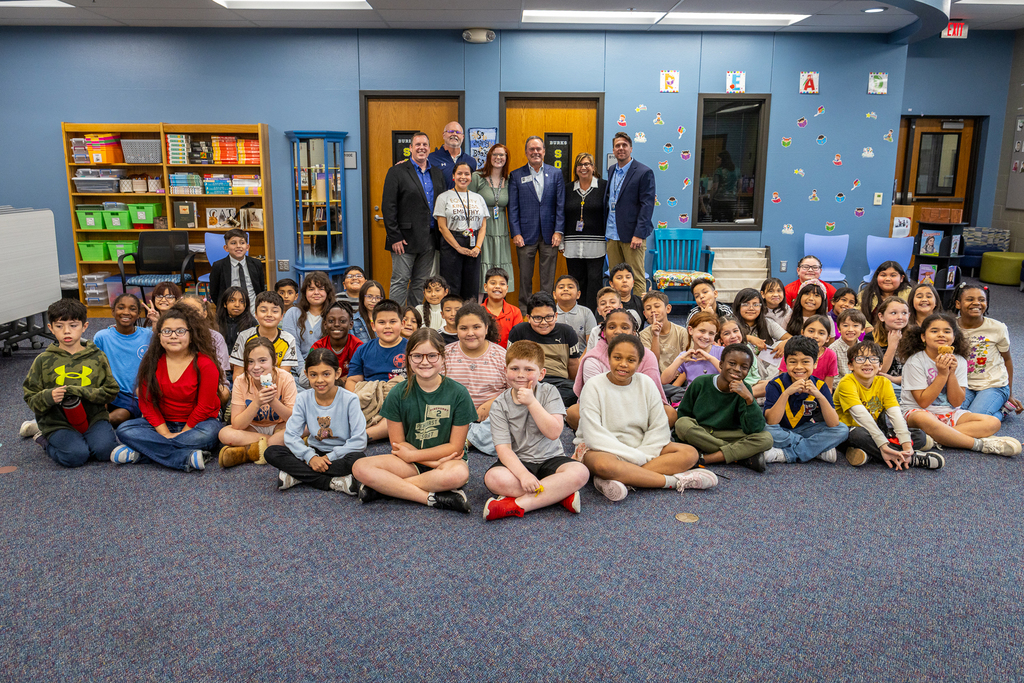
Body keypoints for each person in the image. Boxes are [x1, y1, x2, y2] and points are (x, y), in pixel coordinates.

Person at [576, 334, 716, 502]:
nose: (623, 364)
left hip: (642, 444)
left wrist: (644, 453)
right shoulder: (593, 385)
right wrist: (634, 457)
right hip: (603, 449)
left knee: (690, 453)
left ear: (640, 362)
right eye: (617, 358)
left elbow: (659, 426)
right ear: (608, 358)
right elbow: (593, 435)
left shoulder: (646, 383)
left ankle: (622, 478)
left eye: (631, 360)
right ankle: (673, 481)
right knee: (602, 465)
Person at [352, 328, 475, 513]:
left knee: (459, 473)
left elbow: (455, 448)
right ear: (408, 358)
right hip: (409, 462)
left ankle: (386, 488)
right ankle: (429, 498)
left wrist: (416, 456)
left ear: (443, 357)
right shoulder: (397, 393)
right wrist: (430, 464)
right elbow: (398, 444)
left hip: (446, 461)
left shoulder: (459, 393)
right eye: (417, 356)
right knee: (360, 467)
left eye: (432, 356)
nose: (425, 362)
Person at [483, 340, 591, 521]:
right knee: (493, 478)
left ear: (541, 374)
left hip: (551, 458)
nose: (520, 375)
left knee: (581, 472)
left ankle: (516, 505)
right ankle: (557, 495)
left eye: (528, 370)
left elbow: (554, 432)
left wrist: (532, 403)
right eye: (514, 368)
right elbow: (504, 449)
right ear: (505, 371)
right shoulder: (499, 405)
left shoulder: (549, 392)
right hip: (518, 463)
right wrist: (523, 475)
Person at [112, 304, 222, 471]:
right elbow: (146, 403)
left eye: (180, 331)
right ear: (159, 336)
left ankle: (143, 453)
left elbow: (205, 406)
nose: (173, 336)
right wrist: (165, 433)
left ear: (191, 335)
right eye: (167, 331)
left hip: (198, 425)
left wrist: (183, 432)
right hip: (162, 424)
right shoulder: (151, 362)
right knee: (125, 429)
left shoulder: (205, 364)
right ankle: (184, 457)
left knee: (210, 433)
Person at [898, 313, 1021, 456]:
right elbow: (923, 402)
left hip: (950, 413)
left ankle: (936, 439)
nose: (941, 335)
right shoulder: (915, 362)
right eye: (934, 331)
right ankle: (979, 444)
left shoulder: (960, 361)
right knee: (923, 418)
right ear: (923, 337)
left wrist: (951, 374)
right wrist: (942, 375)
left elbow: (956, 402)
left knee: (993, 422)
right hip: (918, 413)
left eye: (947, 331)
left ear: (954, 337)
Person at [22, 299, 119, 468]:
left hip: (93, 419)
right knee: (76, 456)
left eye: (73, 325)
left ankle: (83, 440)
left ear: (84, 326)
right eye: (59, 326)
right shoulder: (43, 361)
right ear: (50, 328)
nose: (67, 331)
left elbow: (111, 391)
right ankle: (43, 439)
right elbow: (30, 397)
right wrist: (49, 396)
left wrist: (81, 392)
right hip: (57, 422)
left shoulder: (97, 356)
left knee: (105, 451)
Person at [263, 349, 367, 494]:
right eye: (313, 375)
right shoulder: (303, 398)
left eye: (326, 374)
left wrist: (327, 458)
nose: (319, 380)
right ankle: (332, 482)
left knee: (358, 459)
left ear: (337, 374)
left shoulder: (350, 399)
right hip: (313, 452)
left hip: (340, 454)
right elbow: (291, 435)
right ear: (306, 375)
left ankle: (299, 476)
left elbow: (359, 441)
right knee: (272, 452)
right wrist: (310, 457)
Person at [833, 340, 940, 469]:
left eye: (873, 359)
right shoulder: (846, 383)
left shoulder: (884, 382)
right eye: (860, 359)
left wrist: (906, 443)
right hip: (852, 430)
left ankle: (871, 454)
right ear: (850, 365)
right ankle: (911, 458)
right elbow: (861, 417)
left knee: (919, 436)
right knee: (859, 435)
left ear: (880, 365)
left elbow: (895, 414)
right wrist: (883, 445)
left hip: (877, 430)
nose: (867, 363)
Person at [674, 343, 774, 473]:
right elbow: (683, 416)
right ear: (721, 364)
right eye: (732, 363)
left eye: (744, 367)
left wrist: (749, 399)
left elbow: (754, 428)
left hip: (729, 434)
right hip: (701, 431)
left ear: (747, 371)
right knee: (682, 424)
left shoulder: (746, 390)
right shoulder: (701, 383)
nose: (737, 369)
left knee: (766, 438)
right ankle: (740, 456)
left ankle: (707, 458)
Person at [568, 309, 672, 430]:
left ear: (634, 332)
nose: (618, 331)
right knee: (573, 413)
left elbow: (653, 397)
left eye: (625, 327)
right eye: (612, 327)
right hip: (604, 411)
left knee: (670, 413)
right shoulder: (593, 358)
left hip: (639, 410)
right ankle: (623, 437)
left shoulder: (647, 356)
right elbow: (594, 399)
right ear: (604, 332)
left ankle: (625, 436)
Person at [381, 131, 446, 307]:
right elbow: (388, 206)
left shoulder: (437, 173)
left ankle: (412, 318)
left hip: (430, 238)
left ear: (429, 148)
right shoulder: (397, 171)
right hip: (404, 239)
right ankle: (394, 318)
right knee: (400, 281)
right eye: (417, 144)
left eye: (425, 144)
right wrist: (394, 237)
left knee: (421, 282)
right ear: (410, 148)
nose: (421, 148)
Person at [762, 335, 849, 464]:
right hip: (779, 430)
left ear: (815, 364)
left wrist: (819, 395)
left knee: (842, 429)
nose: (799, 367)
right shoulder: (776, 384)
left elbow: (833, 423)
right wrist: (786, 393)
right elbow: (772, 421)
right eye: (792, 362)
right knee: (765, 430)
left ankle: (786, 454)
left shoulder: (820, 386)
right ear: (785, 363)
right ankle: (816, 449)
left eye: (805, 362)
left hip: (805, 429)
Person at [217, 337, 297, 467]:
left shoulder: (285, 378)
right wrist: (257, 403)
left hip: (280, 427)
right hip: (253, 430)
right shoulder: (241, 381)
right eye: (250, 362)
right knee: (224, 434)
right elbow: (237, 425)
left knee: (306, 425)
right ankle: (273, 444)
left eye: (263, 361)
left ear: (274, 360)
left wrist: (273, 401)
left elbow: (293, 419)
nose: (256, 367)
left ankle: (250, 452)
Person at [443, 302, 507, 456]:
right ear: (456, 330)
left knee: (512, 419)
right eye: (463, 328)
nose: (470, 333)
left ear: (486, 327)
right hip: (454, 416)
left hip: (489, 418)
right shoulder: (446, 354)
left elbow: (514, 390)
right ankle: (467, 439)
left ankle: (463, 441)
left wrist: (493, 403)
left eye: (476, 327)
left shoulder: (502, 355)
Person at [508, 136, 565, 310]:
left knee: (548, 277)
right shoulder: (516, 175)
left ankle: (546, 308)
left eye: (538, 149)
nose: (535, 152)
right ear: (526, 152)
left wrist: (559, 231)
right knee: (525, 276)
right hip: (525, 235)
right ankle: (525, 311)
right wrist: (516, 232)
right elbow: (513, 207)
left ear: (544, 152)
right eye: (531, 149)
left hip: (550, 234)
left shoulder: (555, 173)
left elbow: (560, 204)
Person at [954, 284, 1023, 420]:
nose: (976, 303)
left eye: (981, 299)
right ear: (958, 304)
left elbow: (1007, 360)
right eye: (970, 299)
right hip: (963, 384)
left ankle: (1002, 412)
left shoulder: (997, 328)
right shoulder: (950, 327)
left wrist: (1010, 393)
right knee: (952, 416)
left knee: (974, 419)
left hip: (993, 385)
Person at [345, 298, 408, 442]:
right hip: (370, 400)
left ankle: (362, 437)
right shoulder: (363, 350)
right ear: (373, 325)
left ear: (402, 323)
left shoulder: (412, 348)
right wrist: (353, 402)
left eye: (393, 321)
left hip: (398, 400)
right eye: (382, 322)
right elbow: (353, 380)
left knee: (399, 415)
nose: (387, 327)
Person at [507, 292, 581, 408]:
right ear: (528, 318)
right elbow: (510, 362)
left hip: (559, 383)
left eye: (548, 317)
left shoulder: (567, 332)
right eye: (537, 318)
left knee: (575, 391)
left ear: (556, 316)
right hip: (528, 380)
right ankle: (549, 405)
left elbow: (573, 365)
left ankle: (537, 402)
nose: (543, 322)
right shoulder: (518, 331)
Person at [604, 132, 655, 298]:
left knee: (636, 276)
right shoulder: (612, 170)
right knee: (615, 277)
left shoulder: (643, 172)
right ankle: (617, 313)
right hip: (612, 234)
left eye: (624, 145)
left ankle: (640, 316)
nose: (621, 148)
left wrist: (639, 234)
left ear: (631, 148)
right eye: (617, 145)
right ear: (613, 149)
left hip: (633, 235)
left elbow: (647, 205)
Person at [92, 293, 151, 428]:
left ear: (138, 313)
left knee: (118, 417)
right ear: (113, 311)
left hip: (134, 395)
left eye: (132, 309)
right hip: (110, 390)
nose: (126, 312)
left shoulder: (148, 335)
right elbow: (97, 367)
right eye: (121, 307)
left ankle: (90, 426)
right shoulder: (102, 337)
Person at [434, 161, 488, 299]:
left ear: (471, 177)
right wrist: (458, 248)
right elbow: (442, 227)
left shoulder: (478, 198)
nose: (463, 177)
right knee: (452, 285)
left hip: (473, 244)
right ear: (453, 176)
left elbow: (483, 227)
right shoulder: (443, 197)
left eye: (467, 174)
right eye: (459, 173)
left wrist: (478, 246)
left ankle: (470, 317)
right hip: (452, 243)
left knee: (471, 285)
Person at [562, 152, 607, 312]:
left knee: (595, 280)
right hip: (572, 244)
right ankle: (578, 314)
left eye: (587, 164)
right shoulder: (568, 189)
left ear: (593, 167)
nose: (583, 167)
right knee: (576, 280)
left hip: (597, 244)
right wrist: (561, 239)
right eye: (580, 164)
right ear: (575, 168)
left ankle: (593, 317)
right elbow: (561, 214)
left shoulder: (603, 187)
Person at [468, 144, 515, 295]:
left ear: (506, 159)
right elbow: (468, 204)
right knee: (483, 265)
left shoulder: (509, 180)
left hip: (501, 228)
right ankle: (480, 307)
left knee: (499, 266)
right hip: (482, 228)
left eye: (502, 155)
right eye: (495, 154)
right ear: (489, 157)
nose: (498, 158)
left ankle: (498, 307)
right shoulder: (477, 177)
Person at [229, 291, 299, 383]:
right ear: (256, 314)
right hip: (249, 387)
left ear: (282, 316)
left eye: (274, 311)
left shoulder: (289, 339)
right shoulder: (244, 337)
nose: (269, 314)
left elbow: (283, 375)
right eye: (263, 310)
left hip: (277, 387)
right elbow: (238, 374)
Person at [177, 294, 231, 406]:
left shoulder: (215, 338)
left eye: (195, 310)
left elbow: (220, 373)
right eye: (185, 310)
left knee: (224, 392)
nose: (189, 314)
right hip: (179, 385)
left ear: (204, 313)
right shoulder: (173, 336)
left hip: (210, 383)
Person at [639, 290, 690, 403]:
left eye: (657, 306)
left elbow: (689, 363)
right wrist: (655, 336)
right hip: (656, 381)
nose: (653, 310)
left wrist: (676, 386)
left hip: (679, 380)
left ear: (668, 309)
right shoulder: (643, 335)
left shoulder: (681, 332)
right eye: (648, 308)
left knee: (687, 390)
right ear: (645, 314)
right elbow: (652, 362)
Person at [281, 271, 334, 376]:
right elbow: (291, 345)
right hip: (297, 372)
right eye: (311, 289)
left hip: (328, 371)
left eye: (321, 289)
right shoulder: (293, 313)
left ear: (327, 292)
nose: (316, 293)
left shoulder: (334, 314)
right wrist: (304, 373)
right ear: (305, 292)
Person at [662, 311, 721, 390]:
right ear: (690, 330)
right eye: (702, 331)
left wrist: (711, 358)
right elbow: (664, 380)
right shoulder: (685, 356)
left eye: (711, 333)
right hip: (693, 399)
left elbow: (729, 376)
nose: (706, 337)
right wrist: (680, 359)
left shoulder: (722, 352)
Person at [209, 228, 266, 309]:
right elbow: (214, 292)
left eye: (242, 243)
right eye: (233, 243)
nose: (238, 246)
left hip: (252, 307)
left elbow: (260, 288)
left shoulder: (256, 264)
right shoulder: (218, 266)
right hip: (230, 309)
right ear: (226, 248)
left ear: (247, 247)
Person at [778, 315, 838, 391]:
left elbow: (828, 387)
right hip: (790, 392)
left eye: (821, 333)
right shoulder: (792, 350)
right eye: (811, 331)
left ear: (828, 338)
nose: (815, 336)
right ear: (802, 332)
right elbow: (781, 381)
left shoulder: (831, 355)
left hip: (816, 395)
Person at [310, 301, 362, 384]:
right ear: (325, 325)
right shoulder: (318, 347)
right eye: (331, 321)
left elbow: (359, 376)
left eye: (342, 321)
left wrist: (337, 382)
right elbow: (312, 374)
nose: (337, 324)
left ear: (351, 324)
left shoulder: (358, 347)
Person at [873, 295, 911, 388]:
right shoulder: (871, 338)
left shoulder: (914, 337)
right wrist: (892, 346)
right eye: (894, 313)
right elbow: (879, 372)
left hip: (908, 385)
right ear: (881, 316)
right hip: (881, 385)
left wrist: (893, 379)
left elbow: (919, 374)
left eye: (904, 313)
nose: (900, 317)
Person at [426, 121, 476, 189]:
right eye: (451, 131)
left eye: (458, 132)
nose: (454, 134)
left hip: (464, 199)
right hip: (439, 199)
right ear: (443, 135)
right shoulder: (430, 159)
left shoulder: (471, 161)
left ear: (463, 137)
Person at [482, 267, 522, 347]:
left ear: (507, 288)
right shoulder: (478, 311)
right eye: (493, 283)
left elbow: (518, 340)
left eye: (502, 284)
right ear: (485, 287)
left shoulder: (515, 312)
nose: (497, 286)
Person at [554, 274, 596, 346]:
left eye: (570, 287)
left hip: (582, 356)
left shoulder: (586, 313)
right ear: (554, 295)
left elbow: (591, 345)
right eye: (561, 287)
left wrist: (581, 358)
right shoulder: (549, 313)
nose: (565, 289)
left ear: (578, 294)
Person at [829, 308, 868, 378]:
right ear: (838, 329)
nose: (850, 330)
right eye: (845, 326)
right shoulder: (833, 350)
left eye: (855, 326)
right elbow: (833, 379)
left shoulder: (864, 349)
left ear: (862, 329)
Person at [216, 286, 256, 353]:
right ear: (225, 304)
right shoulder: (215, 321)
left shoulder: (251, 323)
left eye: (242, 301)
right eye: (232, 300)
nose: (237, 305)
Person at [608, 262, 644, 327]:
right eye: (619, 278)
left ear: (633, 283)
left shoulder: (640, 302)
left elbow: (653, 322)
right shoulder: (607, 304)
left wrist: (651, 302)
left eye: (628, 277)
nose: (624, 280)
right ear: (611, 284)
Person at [707, 150, 738, 223]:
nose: (716, 161)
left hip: (720, 198)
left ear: (723, 160)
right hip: (732, 198)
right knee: (730, 219)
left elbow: (715, 187)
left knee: (716, 219)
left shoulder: (719, 171)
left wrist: (711, 199)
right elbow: (739, 183)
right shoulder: (736, 170)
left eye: (718, 159)